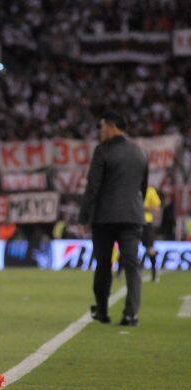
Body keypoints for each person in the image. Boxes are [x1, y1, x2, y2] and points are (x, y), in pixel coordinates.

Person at [79, 111, 148, 326]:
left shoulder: (103, 151)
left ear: (111, 126)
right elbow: (142, 188)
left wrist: (84, 216)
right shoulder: (140, 152)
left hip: (105, 218)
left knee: (103, 264)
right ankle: (131, 314)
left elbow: (93, 187)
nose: (100, 132)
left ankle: (102, 311)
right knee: (132, 266)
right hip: (132, 217)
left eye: (102, 127)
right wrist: (134, 208)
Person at [142, 185, 161, 282]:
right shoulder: (131, 187)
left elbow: (157, 208)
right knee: (125, 247)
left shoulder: (150, 190)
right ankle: (120, 272)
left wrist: (144, 208)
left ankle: (154, 273)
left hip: (146, 222)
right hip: (132, 222)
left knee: (150, 249)